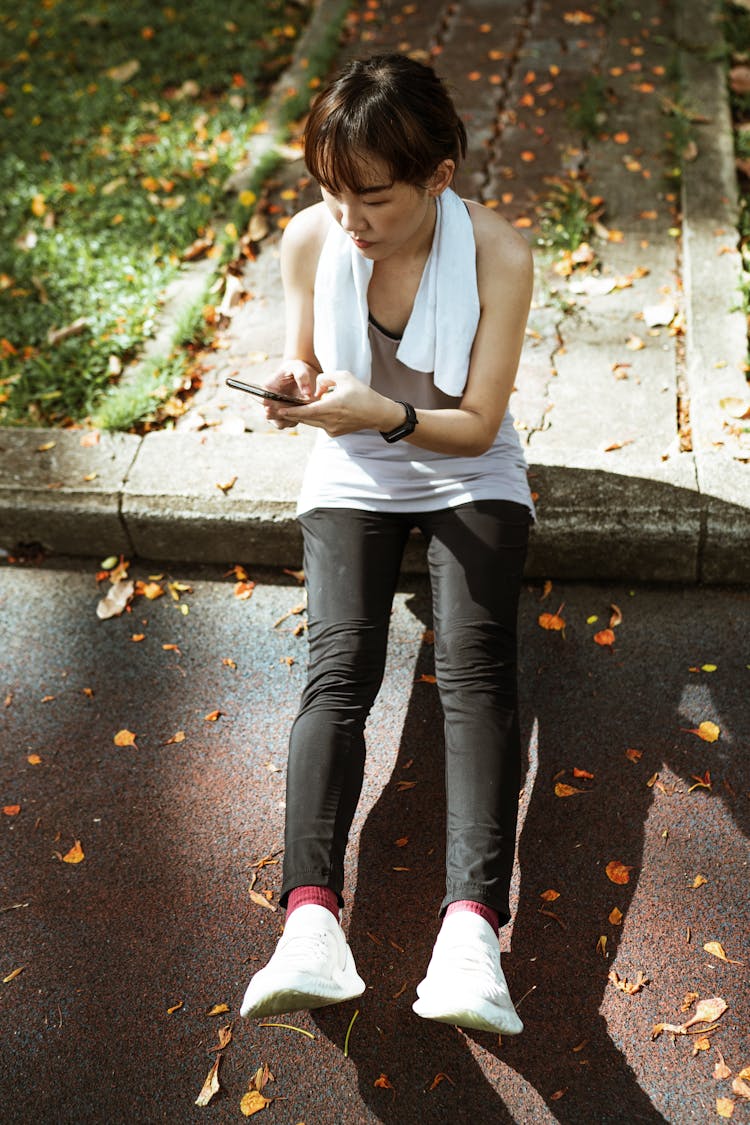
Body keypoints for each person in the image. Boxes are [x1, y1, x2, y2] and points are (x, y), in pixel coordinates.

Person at [239, 52, 534, 1035]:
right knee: (338, 667)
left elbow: (481, 424)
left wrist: (385, 415)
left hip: (459, 459)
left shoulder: (498, 253)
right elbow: (308, 360)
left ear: (438, 177)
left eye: (373, 198)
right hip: (355, 462)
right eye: (332, 192)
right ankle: (310, 925)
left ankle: (471, 935)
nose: (349, 221)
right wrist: (294, 388)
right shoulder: (313, 239)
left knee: (480, 668)